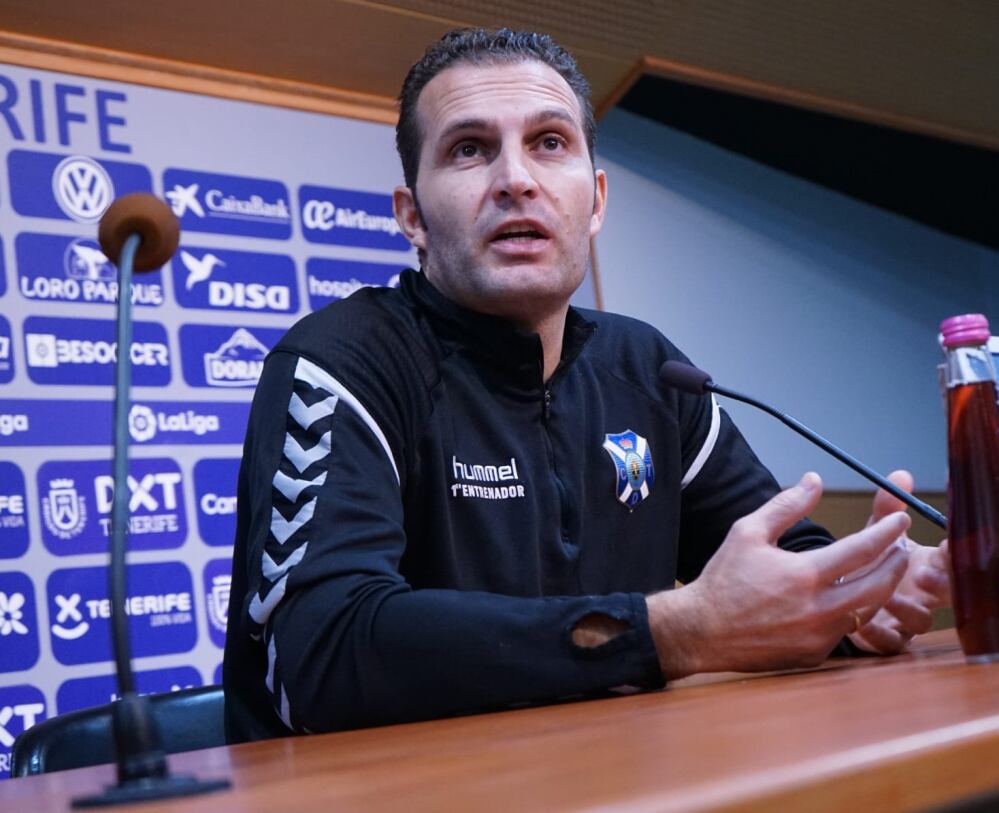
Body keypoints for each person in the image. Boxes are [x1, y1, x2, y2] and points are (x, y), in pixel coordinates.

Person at [223, 28, 950, 742]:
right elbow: (321, 656)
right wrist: (672, 630)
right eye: (469, 149)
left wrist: (858, 595)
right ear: (411, 216)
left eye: (549, 142)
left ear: (596, 200)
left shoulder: (648, 370)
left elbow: (775, 568)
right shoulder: (344, 359)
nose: (515, 178)